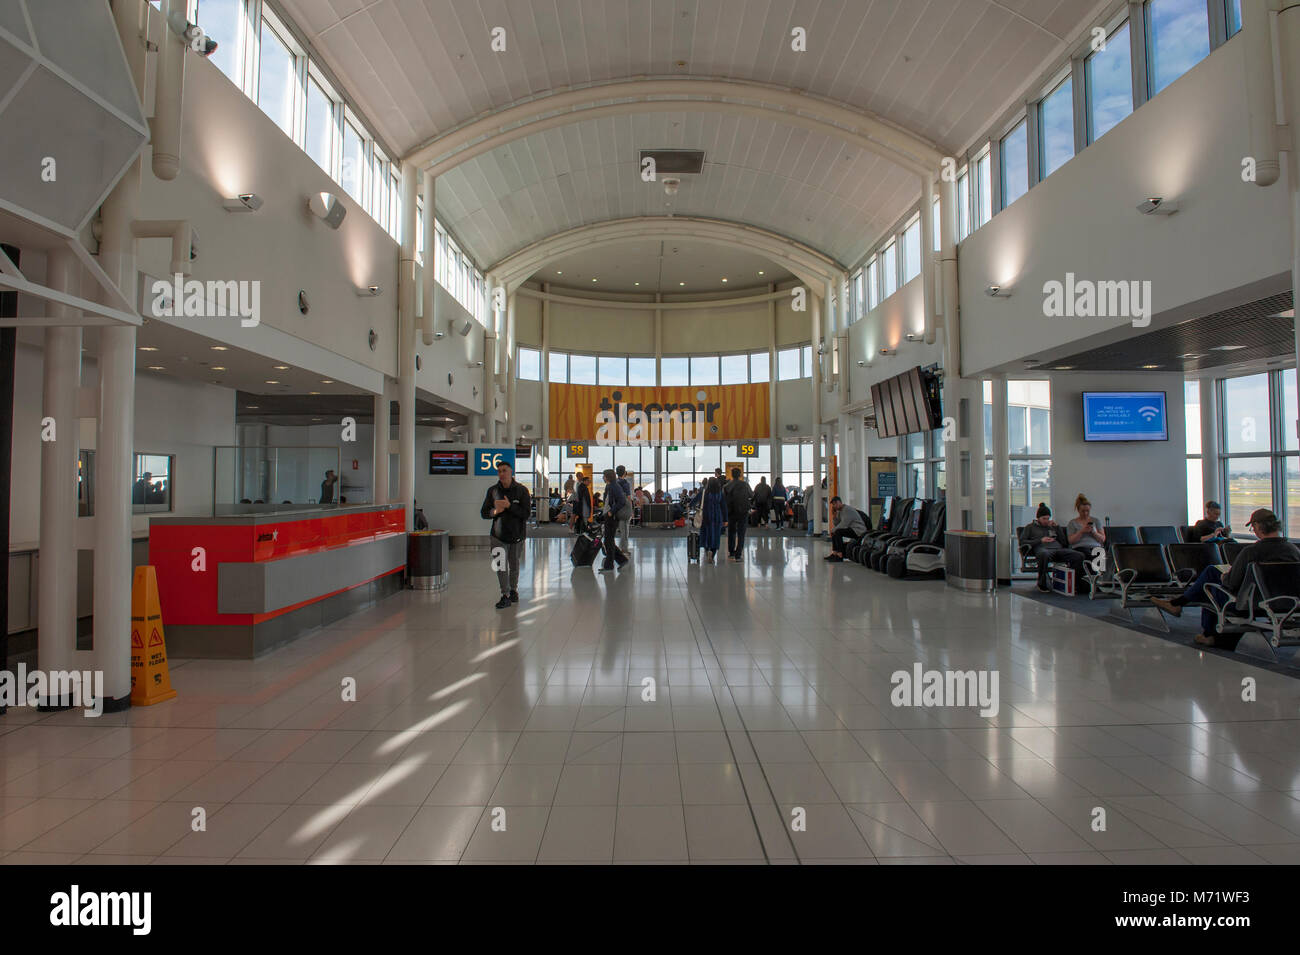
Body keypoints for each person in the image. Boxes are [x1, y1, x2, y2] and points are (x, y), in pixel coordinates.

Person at [1151, 508, 1300, 646]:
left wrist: (1224, 577)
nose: (1253, 531)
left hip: (1249, 605)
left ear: (1259, 527)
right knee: (1211, 577)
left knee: (1209, 582)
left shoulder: (1251, 552)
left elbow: (1231, 583)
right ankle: (1181, 606)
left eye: (1253, 528)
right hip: (1290, 604)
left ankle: (1202, 627)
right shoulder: (1294, 550)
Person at [480, 460, 530, 609]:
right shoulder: (493, 491)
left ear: (511, 472)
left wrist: (510, 506)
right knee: (501, 566)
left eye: (504, 470)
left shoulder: (522, 491)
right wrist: (495, 512)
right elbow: (484, 513)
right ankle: (505, 595)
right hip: (497, 536)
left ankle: (513, 590)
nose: (501, 473)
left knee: (514, 565)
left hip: (517, 536)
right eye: (499, 471)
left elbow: (526, 514)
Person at [1019, 503, 1085, 593]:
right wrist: (1040, 540)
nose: (1046, 521)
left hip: (1058, 549)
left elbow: (1064, 542)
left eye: (1048, 518)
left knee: (1079, 555)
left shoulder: (1052, 527)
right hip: (1043, 549)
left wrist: (1057, 528)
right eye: (1044, 518)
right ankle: (1042, 583)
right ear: (1038, 518)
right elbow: (1022, 541)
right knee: (1044, 554)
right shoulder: (1030, 527)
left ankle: (1074, 583)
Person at [598, 469, 632, 573]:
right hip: (610, 516)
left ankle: (610, 566)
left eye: (604, 476)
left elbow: (621, 500)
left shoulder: (614, 486)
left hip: (612, 517)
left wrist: (611, 512)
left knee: (608, 541)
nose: (603, 478)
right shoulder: (611, 486)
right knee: (609, 541)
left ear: (607, 477)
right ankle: (621, 560)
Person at [723, 467, 753, 562]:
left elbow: (724, 499)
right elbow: (751, 495)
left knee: (731, 532)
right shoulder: (745, 484)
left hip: (731, 512)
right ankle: (738, 554)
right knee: (741, 533)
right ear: (740, 475)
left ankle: (731, 552)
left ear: (731, 474)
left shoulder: (727, 486)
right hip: (743, 511)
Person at [825, 496, 868, 561]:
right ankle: (835, 553)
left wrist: (833, 530)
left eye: (835, 503)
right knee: (836, 532)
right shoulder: (840, 511)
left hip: (858, 530)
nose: (834, 506)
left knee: (837, 532)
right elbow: (837, 524)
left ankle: (840, 555)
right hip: (852, 529)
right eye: (833, 504)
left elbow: (844, 524)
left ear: (839, 502)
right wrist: (834, 515)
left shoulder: (847, 509)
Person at [1066, 493, 1106, 559]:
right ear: (1078, 510)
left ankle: (1095, 569)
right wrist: (1081, 531)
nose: (1085, 513)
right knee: (1087, 554)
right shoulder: (1072, 523)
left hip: (1096, 547)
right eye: (1083, 511)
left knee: (1100, 553)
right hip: (1079, 547)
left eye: (1087, 511)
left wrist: (1093, 532)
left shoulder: (1096, 521)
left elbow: (1102, 539)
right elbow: (1070, 541)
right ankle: (1091, 568)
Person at [699, 476, 727, 564]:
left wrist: (690, 506)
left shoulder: (704, 492)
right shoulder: (720, 493)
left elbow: (695, 500)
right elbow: (724, 506)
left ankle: (707, 550)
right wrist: (725, 519)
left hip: (706, 516)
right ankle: (713, 553)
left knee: (706, 534)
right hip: (717, 517)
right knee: (716, 535)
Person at [615, 465, 633, 552]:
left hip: (617, 508)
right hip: (625, 508)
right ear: (625, 473)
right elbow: (628, 497)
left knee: (621, 528)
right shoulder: (625, 483)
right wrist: (631, 510)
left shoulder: (614, 483)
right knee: (625, 530)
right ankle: (624, 549)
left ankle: (621, 547)